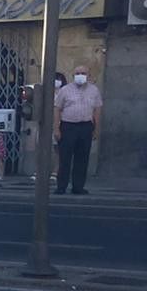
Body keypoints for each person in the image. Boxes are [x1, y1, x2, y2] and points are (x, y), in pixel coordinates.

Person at [54, 64, 102, 195]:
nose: (80, 76)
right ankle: (61, 186)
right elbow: (57, 109)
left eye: (83, 73)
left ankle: (78, 187)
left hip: (85, 126)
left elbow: (97, 110)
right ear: (73, 75)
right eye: (78, 73)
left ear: (89, 76)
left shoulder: (94, 90)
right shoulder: (65, 90)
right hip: (68, 126)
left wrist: (96, 129)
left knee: (82, 158)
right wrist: (56, 129)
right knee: (65, 158)